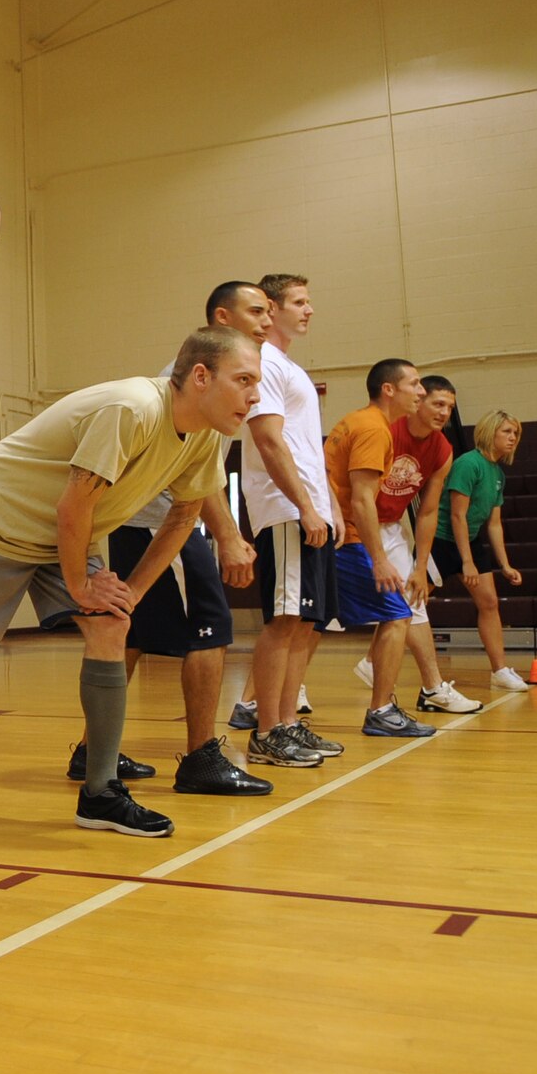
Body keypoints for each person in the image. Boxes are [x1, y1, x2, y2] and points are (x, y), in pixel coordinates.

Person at [0, 325, 265, 836]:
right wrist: (80, 586)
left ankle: (99, 793)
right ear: (201, 376)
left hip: (67, 534)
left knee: (110, 627)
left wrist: (132, 595)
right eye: (245, 379)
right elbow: (73, 504)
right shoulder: (133, 409)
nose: (255, 394)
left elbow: (183, 516)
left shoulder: (208, 433)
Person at [66, 317, 268, 797]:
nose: (265, 319)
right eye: (255, 310)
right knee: (211, 625)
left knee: (127, 632)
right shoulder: (199, 379)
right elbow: (195, 492)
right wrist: (228, 536)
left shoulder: (227, 388)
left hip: (146, 520)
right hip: (155, 520)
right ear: (223, 319)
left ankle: (92, 751)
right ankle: (200, 758)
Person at [226, 274, 338, 769]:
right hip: (287, 509)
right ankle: (266, 730)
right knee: (283, 620)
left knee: (303, 623)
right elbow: (269, 441)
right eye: (299, 301)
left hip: (309, 510)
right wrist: (306, 506)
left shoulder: (287, 365)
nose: (308, 309)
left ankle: (288, 722)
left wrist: (326, 508)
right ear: (271, 307)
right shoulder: (264, 363)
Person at [349, 375, 482, 713]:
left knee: (413, 601)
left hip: (391, 528)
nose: (444, 413)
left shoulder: (442, 449)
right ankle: (276, 694)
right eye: (438, 404)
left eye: (450, 407)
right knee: (315, 617)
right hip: (350, 522)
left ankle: (433, 688)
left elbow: (428, 512)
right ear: (418, 401)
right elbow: (356, 492)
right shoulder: (386, 431)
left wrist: (421, 566)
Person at [326, 359, 437, 737]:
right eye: (415, 384)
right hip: (344, 538)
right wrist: (379, 559)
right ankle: (381, 711)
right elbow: (360, 501)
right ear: (389, 389)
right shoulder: (375, 429)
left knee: (302, 626)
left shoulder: (358, 422)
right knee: (397, 614)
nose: (421, 392)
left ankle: (252, 705)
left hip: (326, 535)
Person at [432, 410, 533, 690]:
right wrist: (467, 562)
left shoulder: (498, 473)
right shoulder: (468, 464)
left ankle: (499, 671)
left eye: (516, 433)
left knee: (489, 603)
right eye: (507, 432)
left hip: (470, 539)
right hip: (440, 540)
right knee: (410, 604)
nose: (513, 438)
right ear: (490, 433)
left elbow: (495, 524)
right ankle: (372, 660)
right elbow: (456, 516)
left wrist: (505, 564)